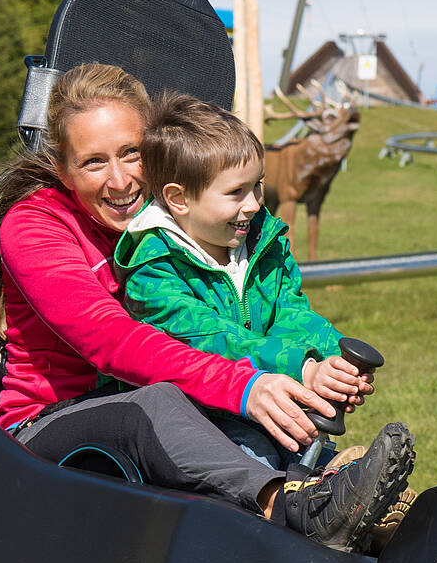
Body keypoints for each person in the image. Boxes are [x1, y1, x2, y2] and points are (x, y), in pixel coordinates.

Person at [0, 63, 415, 553]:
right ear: (63, 170)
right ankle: (290, 504)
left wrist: (315, 361)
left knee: (200, 406)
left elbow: (245, 310)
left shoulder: (173, 219)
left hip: (154, 403)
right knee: (153, 405)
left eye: (132, 154)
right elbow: (112, 341)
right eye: (93, 163)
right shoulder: (35, 227)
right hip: (50, 425)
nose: (121, 180)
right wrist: (245, 384)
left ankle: (390, 509)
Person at [112, 94, 369, 469]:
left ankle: (346, 492)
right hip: (196, 417)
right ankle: (316, 496)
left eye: (257, 186)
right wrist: (303, 368)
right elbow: (213, 338)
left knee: (301, 444)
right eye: (236, 192)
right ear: (179, 199)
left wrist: (333, 357)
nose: (253, 204)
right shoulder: (154, 269)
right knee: (257, 455)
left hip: (267, 402)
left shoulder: (261, 242)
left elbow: (290, 311)